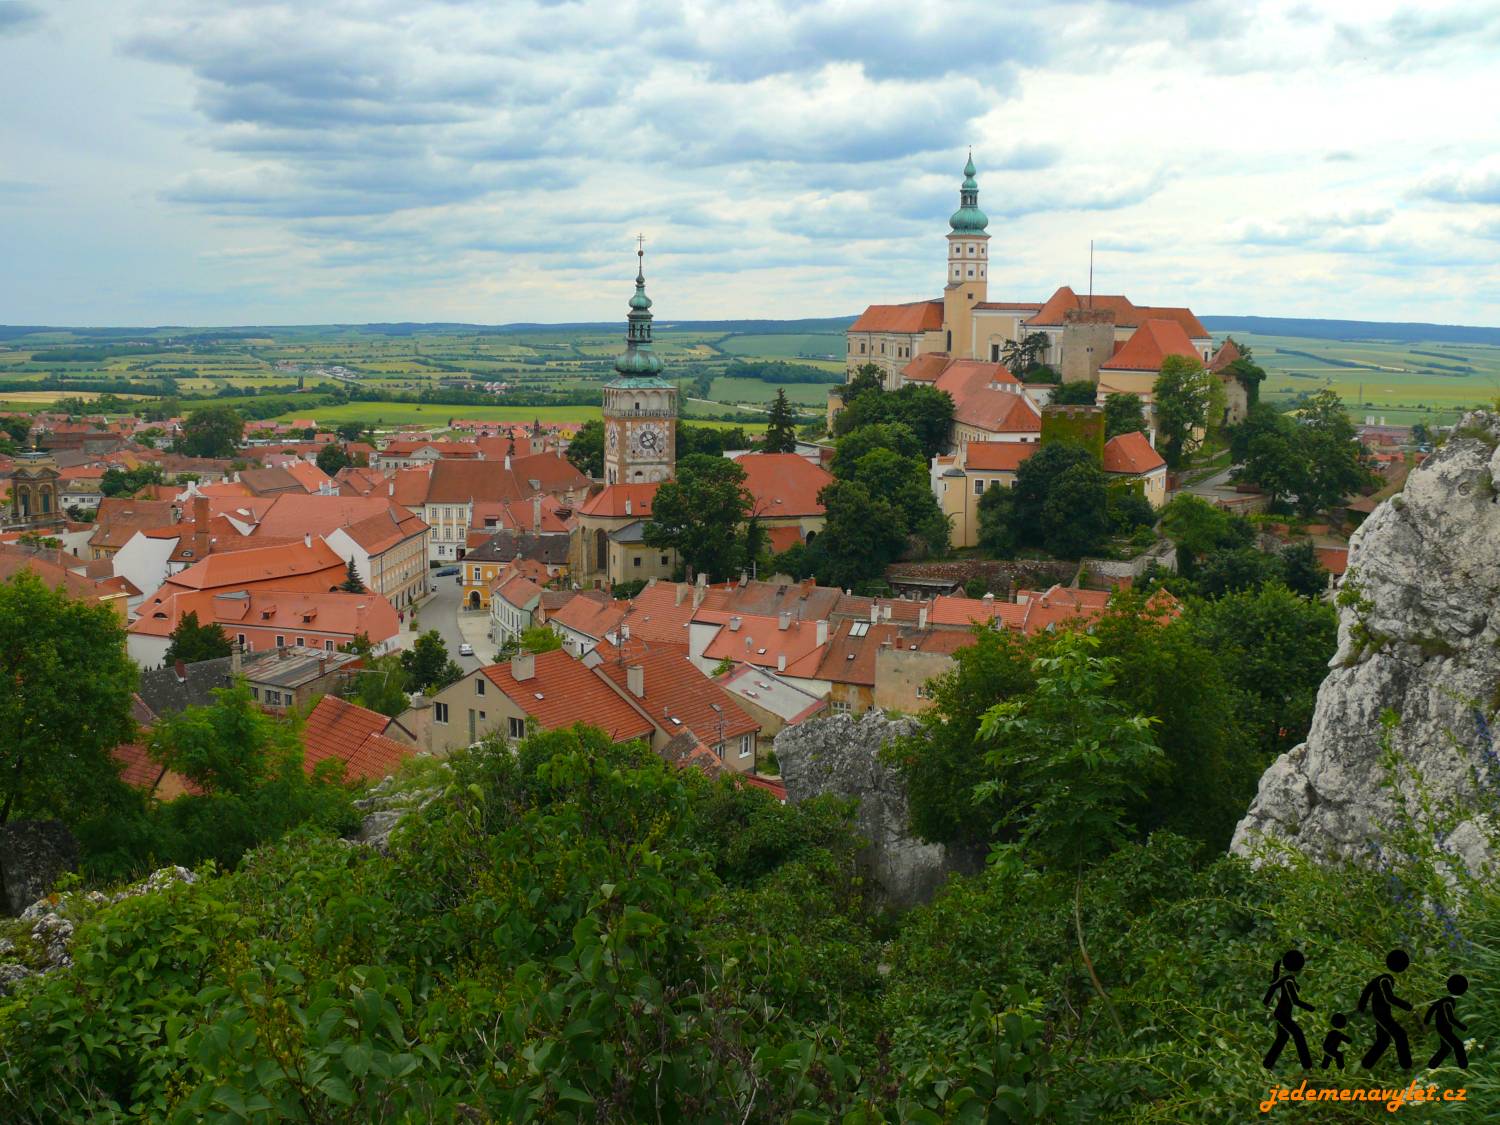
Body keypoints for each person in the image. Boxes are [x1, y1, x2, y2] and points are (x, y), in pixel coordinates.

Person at [1359, 949, 1413, 1069]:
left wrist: (1361, 1007)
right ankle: (1406, 1065)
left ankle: (1367, 1063)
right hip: (1382, 1013)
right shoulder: (1385, 980)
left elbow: (1367, 990)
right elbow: (1389, 998)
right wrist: (1406, 1006)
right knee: (1400, 1035)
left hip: (1380, 1012)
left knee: (1383, 1040)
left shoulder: (1380, 979)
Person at [1263, 949, 1316, 1070]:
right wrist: (1311, 1008)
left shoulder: (1285, 980)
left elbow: (1272, 988)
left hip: (1282, 1013)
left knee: (1283, 1037)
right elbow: (1295, 1001)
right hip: (1282, 1014)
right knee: (1298, 1033)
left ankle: (1268, 1063)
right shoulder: (1288, 981)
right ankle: (1307, 1064)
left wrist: (1265, 1002)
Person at [1425, 975, 1469, 1070]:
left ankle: (1432, 1065)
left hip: (1442, 1027)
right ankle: (1463, 1066)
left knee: (1445, 1048)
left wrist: (1426, 1020)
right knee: (1458, 1045)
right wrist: (1462, 1026)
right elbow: (1450, 1018)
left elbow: (1432, 1009)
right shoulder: (1448, 1002)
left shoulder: (1443, 1001)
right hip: (1444, 1028)